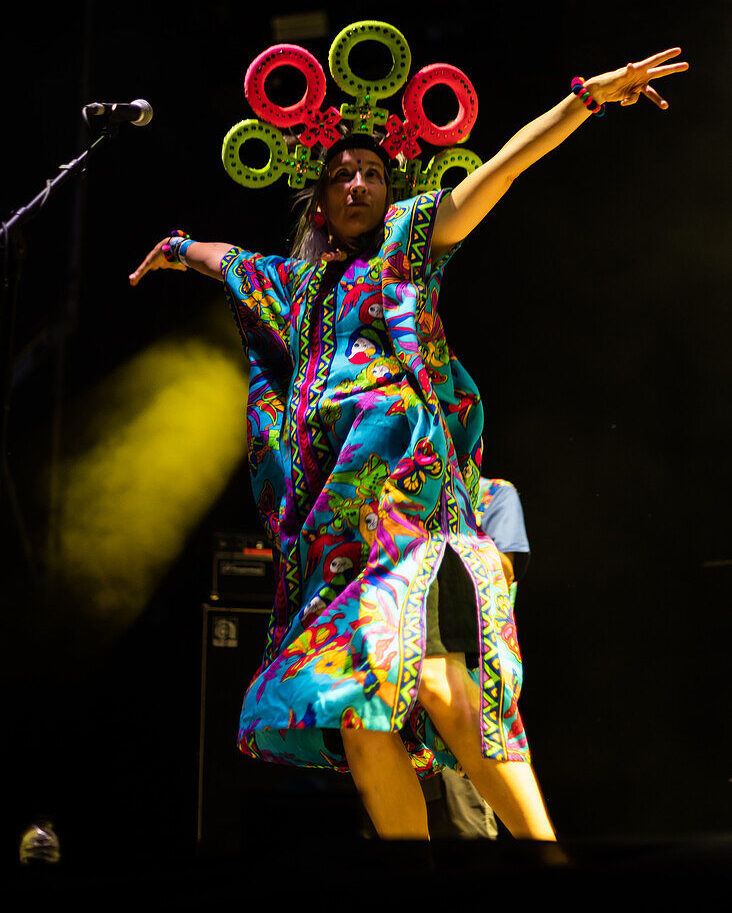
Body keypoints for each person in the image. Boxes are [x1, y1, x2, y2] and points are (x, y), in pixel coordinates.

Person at [130, 45, 687, 842]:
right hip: (335, 540)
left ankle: (550, 864)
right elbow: (230, 262)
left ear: (392, 191)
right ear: (321, 200)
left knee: (440, 687)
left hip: (408, 517)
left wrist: (585, 101)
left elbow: (501, 169)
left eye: (372, 174)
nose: (357, 183)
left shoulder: (407, 241)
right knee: (361, 722)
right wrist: (180, 249)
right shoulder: (294, 286)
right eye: (341, 176)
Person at [422, 476, 530, 840]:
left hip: (465, 678)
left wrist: (440, 540)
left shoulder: (495, 493)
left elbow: (505, 570)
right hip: (402, 681)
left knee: (464, 828)